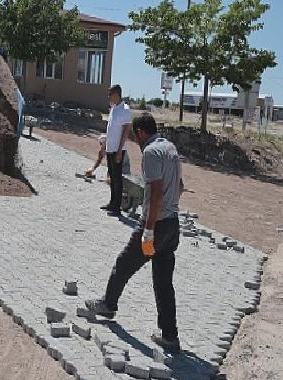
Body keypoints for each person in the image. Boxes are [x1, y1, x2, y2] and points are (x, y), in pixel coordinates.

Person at [85, 113, 185, 353]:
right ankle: (170, 337)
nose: (134, 141)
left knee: (124, 263)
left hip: (156, 227)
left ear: (141, 132)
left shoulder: (151, 152)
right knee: (163, 283)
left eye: (134, 136)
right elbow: (179, 186)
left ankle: (108, 305)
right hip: (172, 227)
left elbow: (156, 193)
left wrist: (149, 230)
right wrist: (168, 211)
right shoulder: (171, 148)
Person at [102, 85, 132, 216]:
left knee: (117, 178)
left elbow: (125, 131)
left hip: (118, 150)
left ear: (116, 94)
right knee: (112, 177)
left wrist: (120, 150)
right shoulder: (114, 108)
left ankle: (117, 206)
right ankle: (112, 202)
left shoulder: (125, 110)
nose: (109, 97)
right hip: (110, 148)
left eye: (110, 95)